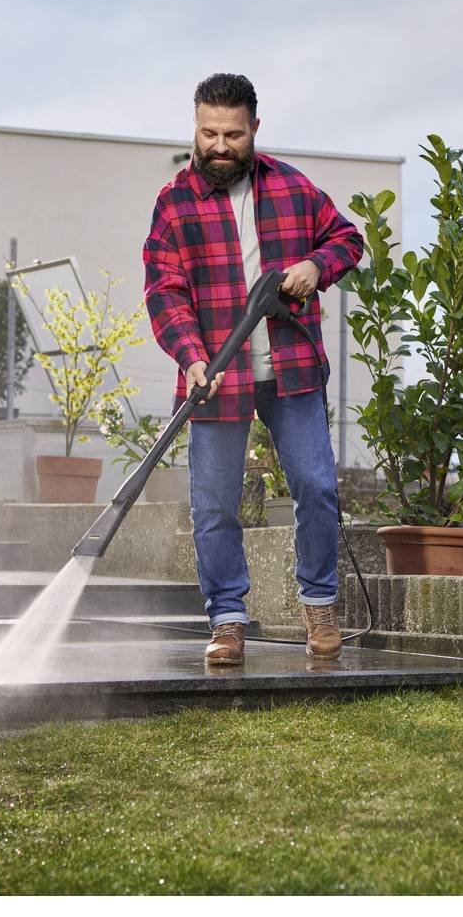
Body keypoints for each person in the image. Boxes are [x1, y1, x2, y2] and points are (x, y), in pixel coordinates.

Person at [141, 72, 365, 666]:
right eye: (208, 132)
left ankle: (319, 603)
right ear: (195, 127)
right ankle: (228, 620)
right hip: (216, 373)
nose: (218, 146)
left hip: (291, 369)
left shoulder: (293, 188)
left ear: (254, 130)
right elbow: (164, 291)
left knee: (316, 488)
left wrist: (318, 266)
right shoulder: (175, 203)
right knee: (214, 505)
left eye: (232, 134)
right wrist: (191, 357)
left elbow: (347, 238)